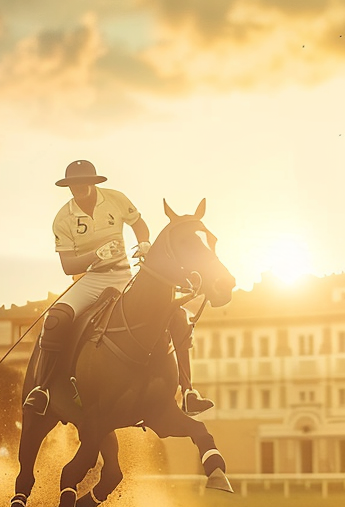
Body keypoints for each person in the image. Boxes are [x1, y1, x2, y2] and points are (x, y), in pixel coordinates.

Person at [24, 160, 212, 416]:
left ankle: (188, 391)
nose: (78, 187)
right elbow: (68, 265)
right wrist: (95, 256)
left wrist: (144, 243)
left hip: (124, 275)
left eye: (83, 182)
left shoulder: (115, 199)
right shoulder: (62, 218)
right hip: (89, 280)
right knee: (55, 319)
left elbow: (138, 224)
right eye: (73, 184)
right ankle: (43, 390)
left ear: (93, 182)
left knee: (176, 314)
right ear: (68, 187)